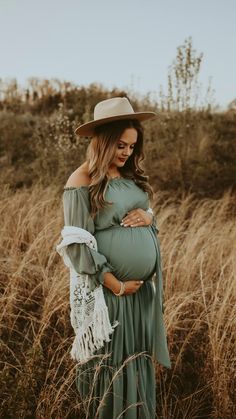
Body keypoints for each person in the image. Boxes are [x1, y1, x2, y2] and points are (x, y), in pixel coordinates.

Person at [56, 97, 171, 419]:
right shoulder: (81, 181)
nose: (126, 153)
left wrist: (149, 218)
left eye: (132, 147)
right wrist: (115, 284)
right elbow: (76, 244)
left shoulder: (130, 176)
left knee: (134, 361)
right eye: (121, 145)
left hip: (138, 294)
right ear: (102, 140)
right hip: (110, 294)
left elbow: (143, 218)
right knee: (110, 363)